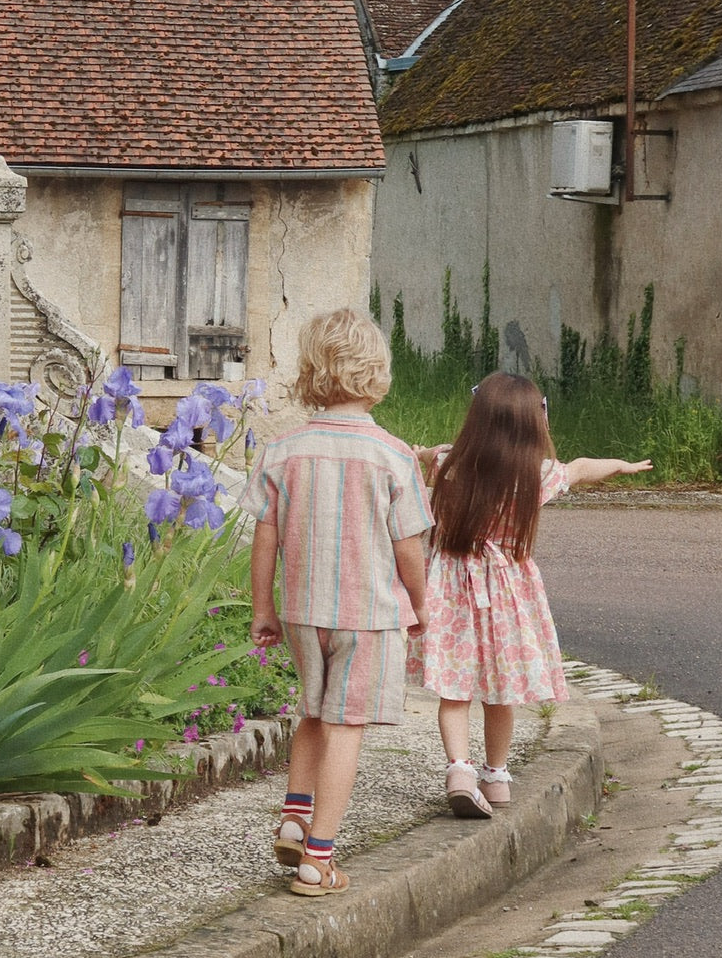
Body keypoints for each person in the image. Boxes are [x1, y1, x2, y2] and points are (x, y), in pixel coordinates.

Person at [239, 307, 433, 897]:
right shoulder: (394, 455)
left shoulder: (284, 450)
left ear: (309, 375)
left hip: (301, 610)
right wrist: (422, 607)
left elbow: (264, 537)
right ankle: (317, 859)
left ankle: (295, 817)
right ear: (377, 374)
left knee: (313, 712)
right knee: (347, 726)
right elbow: (409, 548)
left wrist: (262, 609)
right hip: (368, 615)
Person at [410, 371, 651, 817]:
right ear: (534, 422)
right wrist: (619, 465)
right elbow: (581, 467)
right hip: (507, 592)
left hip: (453, 587)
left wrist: (422, 454)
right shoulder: (536, 476)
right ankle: (496, 776)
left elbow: (424, 457)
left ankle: (459, 770)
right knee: (500, 690)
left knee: (454, 689)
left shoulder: (449, 466)